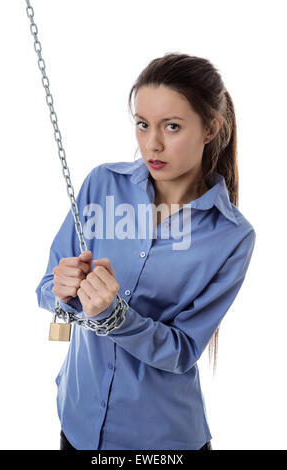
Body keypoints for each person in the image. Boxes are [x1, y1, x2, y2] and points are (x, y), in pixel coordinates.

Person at [35, 52, 256, 450]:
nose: (151, 143)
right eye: (142, 124)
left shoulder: (231, 236)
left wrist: (114, 315)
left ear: (210, 128)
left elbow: (183, 350)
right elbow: (47, 286)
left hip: (160, 440)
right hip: (78, 422)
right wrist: (62, 288)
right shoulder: (102, 184)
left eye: (172, 127)